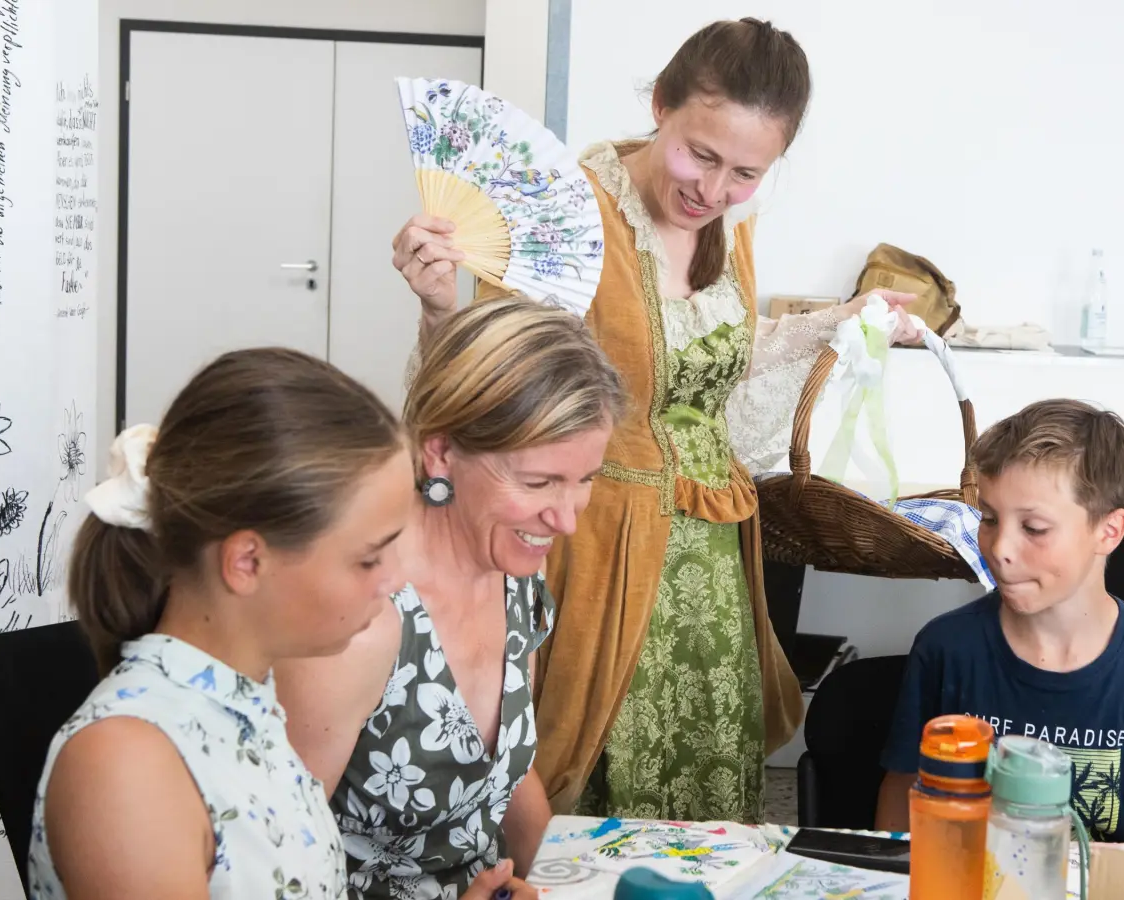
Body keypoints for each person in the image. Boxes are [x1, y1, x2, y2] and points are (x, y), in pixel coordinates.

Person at [392, 17, 922, 823]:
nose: (712, 191)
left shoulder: (731, 228)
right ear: (661, 104)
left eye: (746, 171)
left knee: (706, 781)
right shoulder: (565, 211)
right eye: (699, 154)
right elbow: (485, 380)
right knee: (591, 770)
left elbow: (713, 356)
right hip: (596, 542)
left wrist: (843, 317)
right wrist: (439, 310)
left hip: (712, 558)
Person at [29, 348, 528, 899]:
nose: (393, 580)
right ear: (247, 562)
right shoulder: (126, 767)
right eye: (368, 557)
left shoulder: (251, 707)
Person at [275, 296, 626, 899]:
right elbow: (277, 859)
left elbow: (506, 780)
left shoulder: (516, 573)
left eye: (584, 480)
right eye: (539, 482)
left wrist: (569, 885)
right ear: (440, 452)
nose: (566, 520)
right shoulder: (359, 613)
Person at [874, 399, 1124, 846]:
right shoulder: (945, 649)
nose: (999, 547)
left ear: (1109, 531)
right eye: (988, 517)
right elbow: (899, 822)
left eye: (1035, 528)